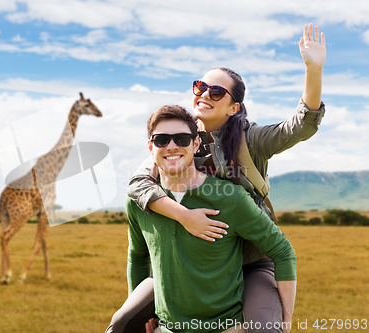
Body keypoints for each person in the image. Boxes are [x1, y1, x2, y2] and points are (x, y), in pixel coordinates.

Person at [106, 23, 325, 333]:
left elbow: (300, 127)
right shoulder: (177, 141)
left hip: (249, 258)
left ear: (234, 107)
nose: (205, 94)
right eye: (200, 86)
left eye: (217, 91)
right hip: (188, 261)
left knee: (264, 327)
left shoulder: (251, 140)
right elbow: (137, 184)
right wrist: (185, 217)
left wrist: (313, 70)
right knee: (123, 322)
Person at [122, 105, 297, 333]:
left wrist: (285, 321)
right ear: (150, 147)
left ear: (196, 144)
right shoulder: (139, 203)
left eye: (182, 139)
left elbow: (282, 251)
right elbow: (137, 257)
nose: (172, 146)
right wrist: (141, 315)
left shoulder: (231, 199)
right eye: (162, 139)